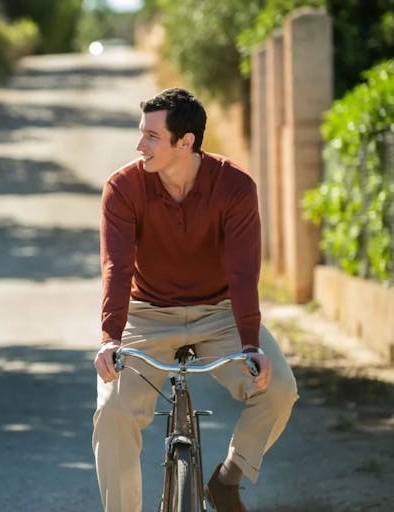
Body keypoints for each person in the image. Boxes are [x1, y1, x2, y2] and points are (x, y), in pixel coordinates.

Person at [92, 88, 298, 512]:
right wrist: (111, 338)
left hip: (220, 311)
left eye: (152, 136)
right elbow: (117, 266)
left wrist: (249, 344)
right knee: (113, 412)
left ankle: (227, 479)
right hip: (147, 314)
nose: (140, 145)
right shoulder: (124, 187)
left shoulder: (235, 187)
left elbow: (244, 273)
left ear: (185, 142)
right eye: (141, 134)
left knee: (279, 390)